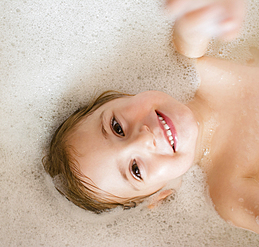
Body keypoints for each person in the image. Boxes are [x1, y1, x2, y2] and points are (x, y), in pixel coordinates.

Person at [43, 0, 259, 234]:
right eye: (136, 169)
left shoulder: (192, 58)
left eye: (117, 127)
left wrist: (211, 11)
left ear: (120, 97)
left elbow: (194, 23)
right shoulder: (229, 190)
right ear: (161, 193)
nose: (143, 139)